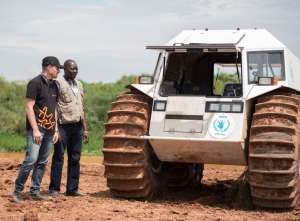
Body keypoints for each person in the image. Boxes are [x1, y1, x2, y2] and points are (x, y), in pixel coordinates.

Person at [12, 56, 63, 203]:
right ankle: (17, 191)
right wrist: (35, 129)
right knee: (31, 159)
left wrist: (56, 130)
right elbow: (28, 106)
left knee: (42, 161)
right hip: (37, 129)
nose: (59, 70)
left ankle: (35, 191)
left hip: (49, 130)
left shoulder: (55, 85)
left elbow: (54, 109)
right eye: (57, 67)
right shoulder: (34, 83)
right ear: (48, 67)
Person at [49, 59, 88, 197]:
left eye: (77, 69)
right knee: (59, 157)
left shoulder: (79, 84)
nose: (75, 71)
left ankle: (72, 189)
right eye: (72, 69)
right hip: (62, 126)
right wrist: (55, 129)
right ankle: (54, 189)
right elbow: (53, 107)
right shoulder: (58, 83)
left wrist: (85, 129)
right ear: (65, 69)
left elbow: (82, 108)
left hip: (77, 127)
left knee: (75, 158)